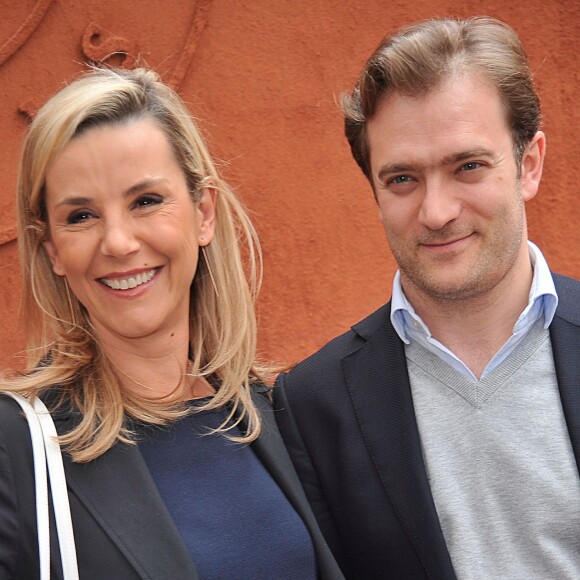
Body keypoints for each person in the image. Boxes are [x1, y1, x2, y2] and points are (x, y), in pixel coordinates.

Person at [0, 67, 344, 580]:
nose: (117, 242)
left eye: (145, 201)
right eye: (81, 216)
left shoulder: (267, 413)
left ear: (203, 213)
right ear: (52, 249)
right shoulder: (17, 442)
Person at [273, 16, 580, 580]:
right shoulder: (313, 404)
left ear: (528, 164)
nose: (436, 212)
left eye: (468, 166)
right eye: (403, 179)